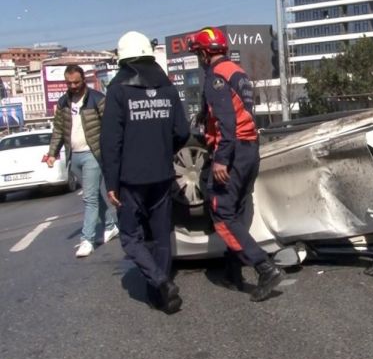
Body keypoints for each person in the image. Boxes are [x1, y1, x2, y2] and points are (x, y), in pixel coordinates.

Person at [188, 26, 283, 302]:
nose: (199, 59)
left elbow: (227, 122)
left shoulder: (215, 76)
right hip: (250, 149)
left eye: (198, 53)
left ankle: (265, 268)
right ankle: (233, 270)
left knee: (222, 213)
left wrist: (220, 159)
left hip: (232, 151)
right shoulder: (236, 72)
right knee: (238, 211)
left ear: (206, 53)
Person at [101, 31, 190, 314]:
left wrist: (111, 182)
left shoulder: (118, 90)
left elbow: (111, 142)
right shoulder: (167, 87)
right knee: (162, 235)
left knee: (130, 237)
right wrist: (164, 151)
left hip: (130, 178)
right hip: (163, 174)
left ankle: (161, 282)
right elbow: (183, 132)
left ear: (122, 58)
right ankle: (161, 294)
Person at [46, 65, 119, 258]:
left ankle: (87, 239)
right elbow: (59, 131)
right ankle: (111, 226)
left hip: (92, 154)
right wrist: (53, 153)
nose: (73, 86)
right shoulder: (63, 103)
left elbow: (110, 127)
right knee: (93, 194)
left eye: (76, 82)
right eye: (69, 83)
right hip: (74, 155)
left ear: (83, 80)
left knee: (88, 198)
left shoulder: (97, 99)